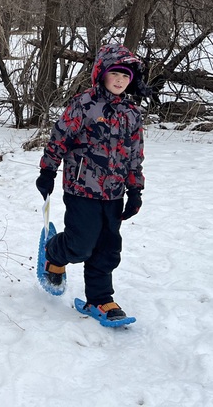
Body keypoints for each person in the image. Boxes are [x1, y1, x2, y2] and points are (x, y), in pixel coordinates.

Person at [35, 42, 147, 325]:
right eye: (115, 74)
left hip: (114, 193)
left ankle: (100, 298)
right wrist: (48, 170)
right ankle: (54, 253)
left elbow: (135, 155)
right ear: (102, 74)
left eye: (126, 76)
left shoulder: (132, 113)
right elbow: (59, 137)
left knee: (107, 248)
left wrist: (135, 189)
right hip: (81, 188)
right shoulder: (84, 104)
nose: (121, 80)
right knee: (81, 245)